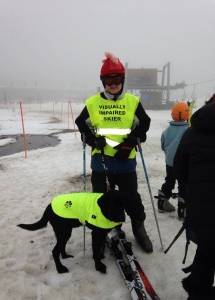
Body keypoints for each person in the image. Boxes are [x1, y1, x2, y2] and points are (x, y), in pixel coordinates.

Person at [75, 52, 153, 253]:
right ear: (103, 81)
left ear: (123, 80)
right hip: (100, 161)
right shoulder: (92, 103)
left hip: (125, 161)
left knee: (131, 197)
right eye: (108, 80)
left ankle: (139, 227)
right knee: (101, 198)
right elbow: (80, 123)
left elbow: (144, 123)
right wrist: (91, 139)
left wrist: (129, 143)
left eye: (117, 79)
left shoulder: (132, 102)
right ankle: (105, 229)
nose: (113, 84)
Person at [174, 94, 215, 300]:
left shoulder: (193, 131)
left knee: (206, 253)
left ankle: (198, 294)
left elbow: (179, 169)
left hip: (201, 211)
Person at [155, 102, 189, 219]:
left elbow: (163, 146)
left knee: (169, 180)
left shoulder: (166, 131)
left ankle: (162, 201)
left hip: (170, 162)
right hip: (184, 163)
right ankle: (182, 208)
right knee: (183, 184)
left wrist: (169, 154)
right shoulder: (188, 131)